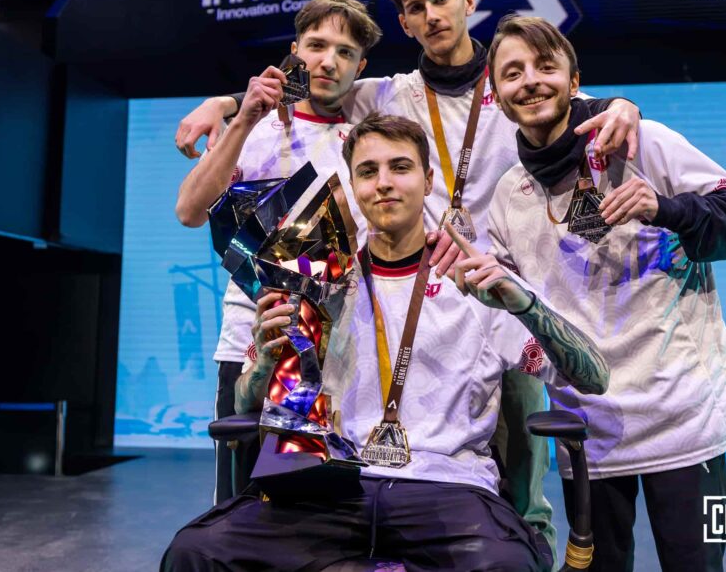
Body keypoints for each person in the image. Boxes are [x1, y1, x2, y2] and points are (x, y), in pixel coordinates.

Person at [174, 0, 643, 550]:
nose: (432, 16)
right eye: (416, 8)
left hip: (475, 291)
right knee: (261, 500)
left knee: (519, 479)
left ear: (468, 0)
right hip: (310, 308)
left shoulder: (507, 86)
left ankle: (523, 544)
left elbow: (560, 100)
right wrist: (228, 104)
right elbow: (310, 89)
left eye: (442, 0)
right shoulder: (384, 96)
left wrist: (621, 105)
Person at [162, 114, 610, 572]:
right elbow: (245, 404)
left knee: (505, 565)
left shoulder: (476, 282)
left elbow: (594, 378)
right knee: (195, 552)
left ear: (428, 180)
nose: (384, 183)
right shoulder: (316, 283)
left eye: (400, 167)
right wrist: (263, 363)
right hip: (333, 490)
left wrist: (524, 304)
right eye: (368, 171)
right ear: (353, 186)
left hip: (447, 488)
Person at [477, 13, 726, 572]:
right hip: (588, 427)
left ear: (574, 79)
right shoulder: (509, 194)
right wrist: (545, 360)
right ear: (498, 95)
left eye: (545, 66)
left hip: (682, 415)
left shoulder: (643, 143)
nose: (530, 81)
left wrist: (667, 209)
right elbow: (504, 311)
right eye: (512, 73)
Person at [175, 0, 382, 502]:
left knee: (327, 507)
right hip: (250, 347)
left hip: (340, 354)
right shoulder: (254, 128)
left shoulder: (370, 137)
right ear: (294, 51)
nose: (328, 61)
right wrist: (238, 113)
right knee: (240, 507)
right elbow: (189, 210)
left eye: (345, 52)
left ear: (361, 67)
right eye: (316, 46)